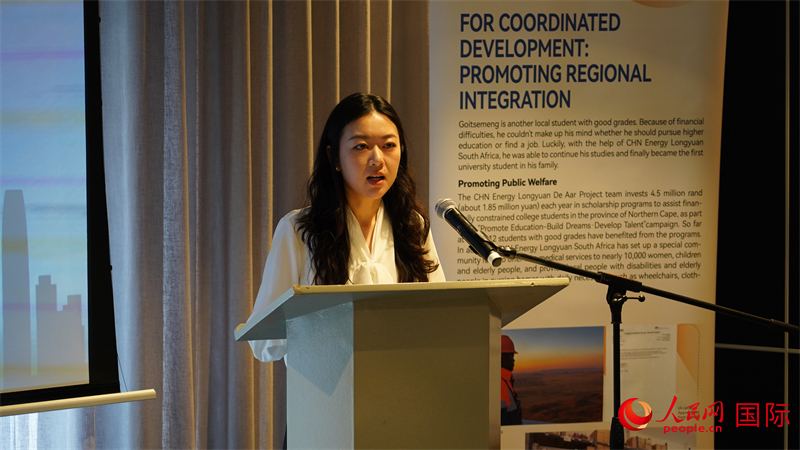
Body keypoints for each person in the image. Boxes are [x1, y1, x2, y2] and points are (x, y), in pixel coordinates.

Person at [247, 92, 446, 363]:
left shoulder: (412, 226)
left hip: (402, 379)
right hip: (325, 383)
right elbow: (263, 341)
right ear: (334, 157)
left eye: (389, 145)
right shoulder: (299, 230)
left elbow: (442, 316)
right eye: (361, 146)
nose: (377, 159)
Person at [501, 334, 522, 425]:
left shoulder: (504, 380)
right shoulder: (499, 384)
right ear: (503, 357)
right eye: (512, 356)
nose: (513, 360)